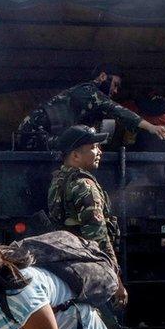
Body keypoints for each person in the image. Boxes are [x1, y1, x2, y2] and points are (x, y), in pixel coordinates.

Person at [48, 125, 128, 307]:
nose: (99, 151)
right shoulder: (84, 186)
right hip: (88, 269)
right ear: (75, 155)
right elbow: (98, 237)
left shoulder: (58, 180)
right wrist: (116, 281)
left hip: (68, 266)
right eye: (93, 147)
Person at [16, 63, 165, 151]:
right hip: (32, 135)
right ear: (103, 76)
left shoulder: (93, 105)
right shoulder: (87, 90)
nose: (116, 90)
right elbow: (115, 109)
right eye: (115, 84)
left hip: (49, 137)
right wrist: (151, 127)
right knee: (77, 149)